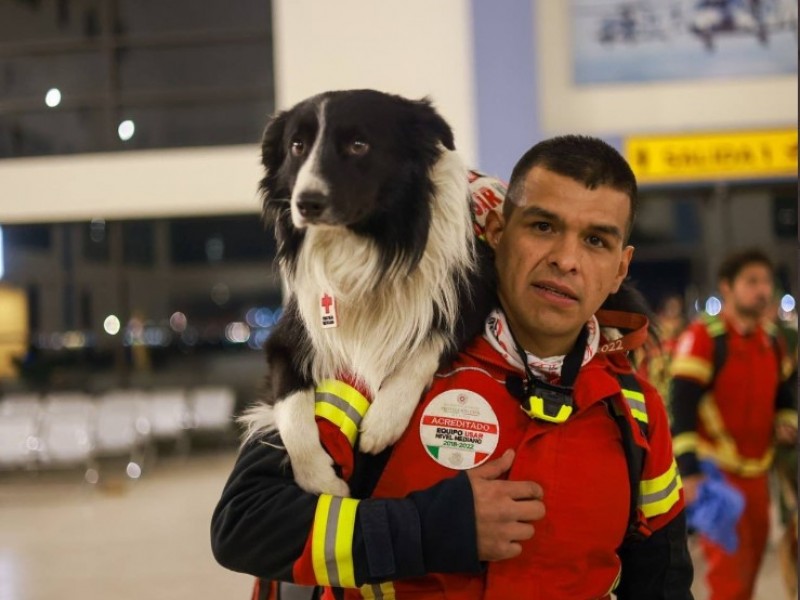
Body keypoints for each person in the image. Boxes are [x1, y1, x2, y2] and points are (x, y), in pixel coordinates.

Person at [211, 135, 694, 599]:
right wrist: (430, 527)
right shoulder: (378, 362)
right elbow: (245, 523)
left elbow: (662, 582)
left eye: (596, 241)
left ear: (620, 269)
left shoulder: (636, 414)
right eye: (543, 226)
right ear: (499, 233)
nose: (566, 260)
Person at [670, 248, 797, 600]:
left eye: (766, 282)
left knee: (750, 572)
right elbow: (680, 408)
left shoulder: (770, 340)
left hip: (759, 474)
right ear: (727, 287)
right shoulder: (703, 339)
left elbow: (784, 392)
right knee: (729, 581)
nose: (762, 290)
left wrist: (785, 420)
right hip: (718, 478)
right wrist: (691, 472)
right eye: (751, 281)